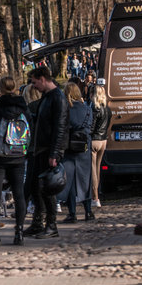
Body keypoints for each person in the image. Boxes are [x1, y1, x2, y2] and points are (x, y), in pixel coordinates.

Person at [0, 77, 31, 246]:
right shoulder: (23, 108)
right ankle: (19, 232)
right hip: (18, 155)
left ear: (1, 89)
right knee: (19, 194)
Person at [23, 67, 69, 239]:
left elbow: (60, 127)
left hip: (48, 150)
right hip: (40, 149)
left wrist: (55, 153)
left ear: (43, 79)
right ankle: (38, 222)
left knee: (47, 188)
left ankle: (51, 224)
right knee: (36, 188)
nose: (34, 87)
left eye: (35, 82)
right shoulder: (48, 97)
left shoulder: (58, 98)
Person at [58, 83, 93, 223]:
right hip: (84, 147)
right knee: (85, 179)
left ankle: (72, 213)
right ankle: (88, 211)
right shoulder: (87, 109)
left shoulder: (65, 110)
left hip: (69, 148)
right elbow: (90, 127)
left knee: (70, 181)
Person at [90, 85, 111, 209]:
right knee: (97, 168)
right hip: (103, 140)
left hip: (94, 140)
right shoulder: (107, 109)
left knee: (93, 170)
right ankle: (96, 195)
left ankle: (95, 197)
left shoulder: (95, 108)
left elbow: (91, 127)